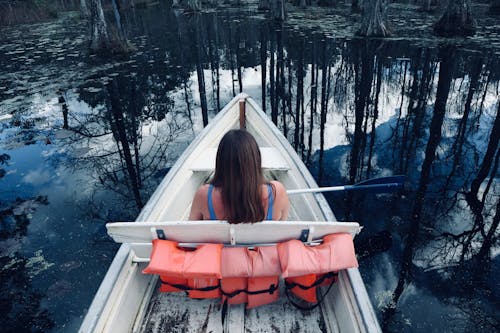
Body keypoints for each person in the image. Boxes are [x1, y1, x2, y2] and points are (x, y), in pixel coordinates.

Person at [189, 129, 289, 223]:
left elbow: (189, 233)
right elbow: (283, 230)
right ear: (255, 160)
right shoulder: (277, 192)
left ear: (220, 162)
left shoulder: (204, 195)